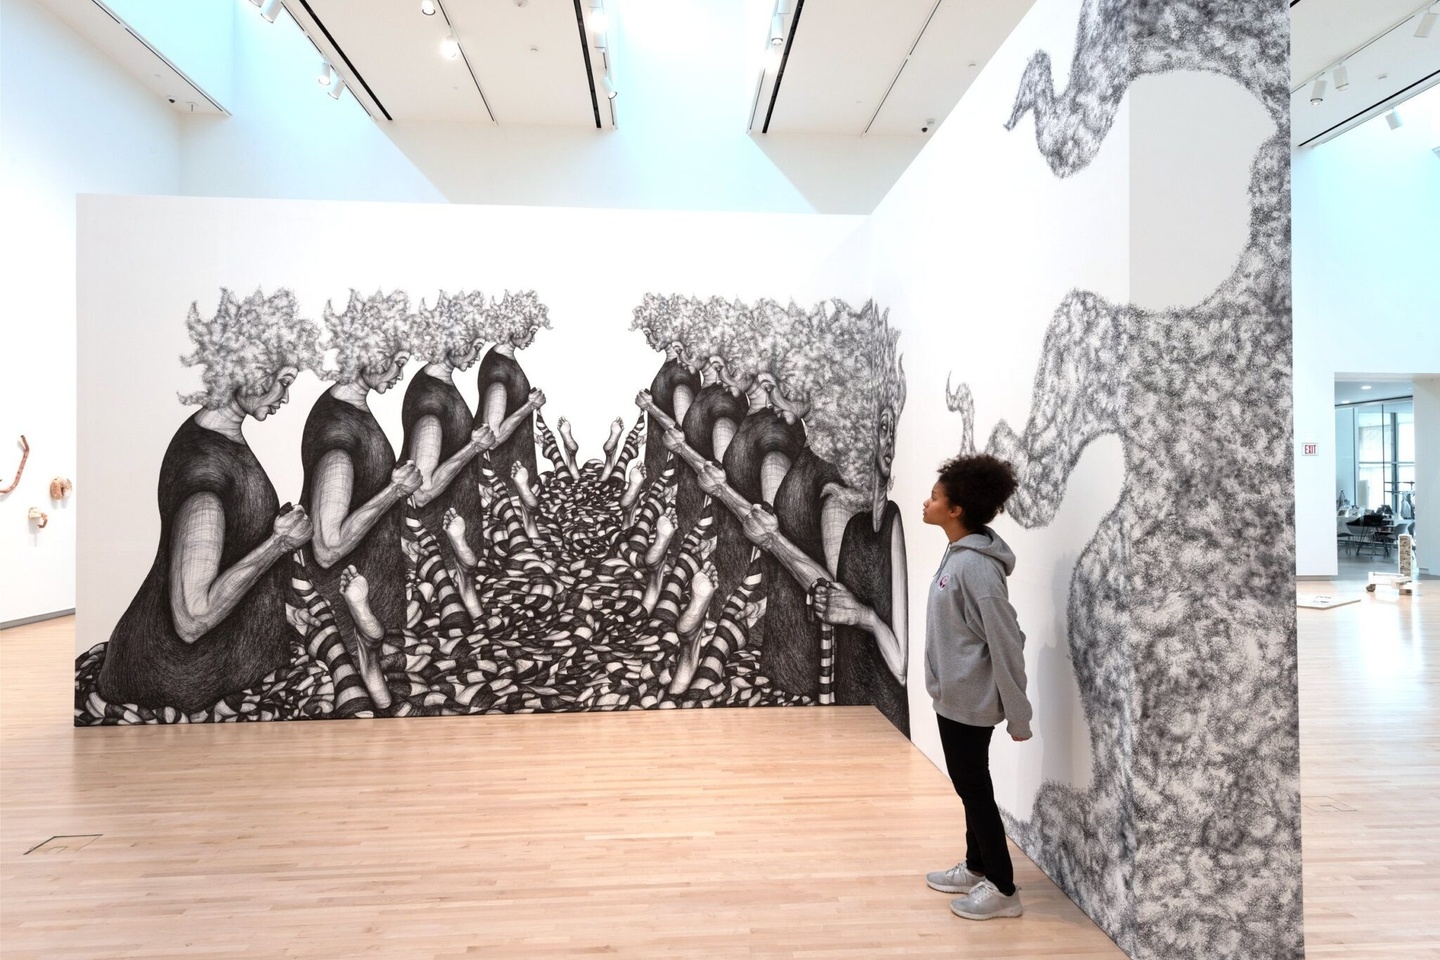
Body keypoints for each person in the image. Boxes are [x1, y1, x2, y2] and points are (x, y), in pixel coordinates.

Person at [97, 289, 318, 712]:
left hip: (217, 663)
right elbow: (192, 617)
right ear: (253, 370)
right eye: (283, 383)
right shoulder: (206, 473)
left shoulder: (217, 439)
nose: (285, 398)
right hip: (177, 678)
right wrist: (278, 544)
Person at [920, 453, 1032, 921]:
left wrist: (1019, 715)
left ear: (956, 510)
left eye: (935, 497)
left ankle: (1003, 888)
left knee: (975, 789)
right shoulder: (959, 553)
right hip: (954, 697)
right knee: (969, 787)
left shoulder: (978, 569)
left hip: (971, 700)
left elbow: (1007, 641)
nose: (926, 503)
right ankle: (975, 865)